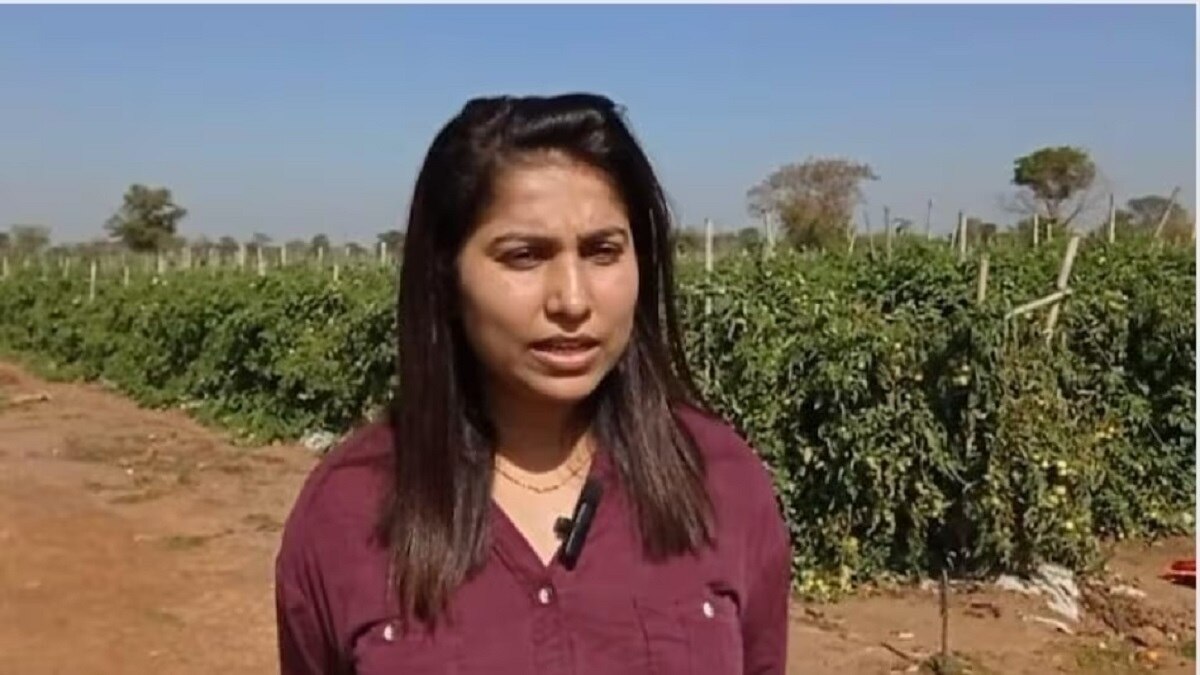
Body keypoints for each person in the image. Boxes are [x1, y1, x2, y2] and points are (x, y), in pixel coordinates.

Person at [274, 92, 791, 675]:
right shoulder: (347, 511)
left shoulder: (722, 481)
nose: (572, 300)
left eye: (602, 251)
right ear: (446, 276)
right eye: (523, 256)